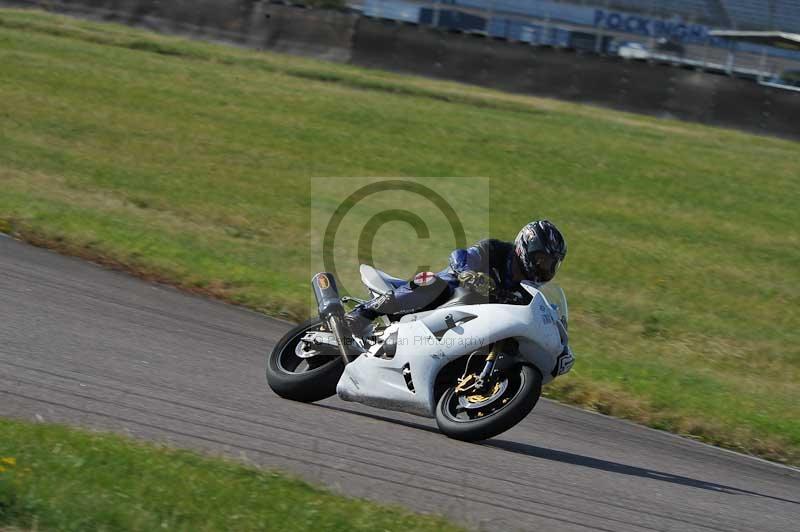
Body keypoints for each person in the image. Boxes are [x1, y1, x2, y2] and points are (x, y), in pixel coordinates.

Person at [344, 220, 567, 337]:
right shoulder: (496, 250)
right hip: (451, 293)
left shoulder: (526, 289)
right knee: (434, 284)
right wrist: (468, 272)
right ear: (526, 247)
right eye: (541, 260)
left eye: (550, 265)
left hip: (469, 322)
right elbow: (461, 255)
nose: (543, 269)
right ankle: (362, 313)